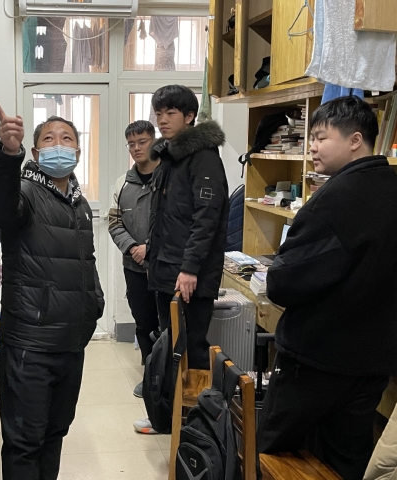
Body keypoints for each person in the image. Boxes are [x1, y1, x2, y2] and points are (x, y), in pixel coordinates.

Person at [257, 96, 397, 480]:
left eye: (321, 137)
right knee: (346, 459)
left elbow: (284, 283)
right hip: (374, 361)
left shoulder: (336, 198)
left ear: (355, 140)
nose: (312, 146)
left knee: (272, 452)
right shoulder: (392, 186)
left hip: (317, 359)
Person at [0, 105, 105, 480]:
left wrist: (94, 303)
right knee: (25, 442)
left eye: (67, 138)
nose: (59, 144)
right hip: (31, 343)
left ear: (78, 152)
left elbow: (85, 261)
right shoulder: (25, 193)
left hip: (71, 342)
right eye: (49, 139)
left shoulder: (79, 203)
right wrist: (8, 154)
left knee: (55, 433)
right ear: (35, 153)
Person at [134, 84, 228, 434]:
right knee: (170, 344)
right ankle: (169, 415)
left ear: (189, 116)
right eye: (158, 113)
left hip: (188, 275)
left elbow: (207, 219)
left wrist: (189, 269)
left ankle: (196, 424)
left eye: (170, 113)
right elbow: (166, 217)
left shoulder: (203, 157)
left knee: (192, 347)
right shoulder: (170, 157)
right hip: (166, 269)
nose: (162, 120)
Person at [108, 120, 159, 398]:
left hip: (164, 267)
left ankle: (168, 380)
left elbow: (177, 223)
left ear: (154, 141)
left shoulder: (170, 178)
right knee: (143, 324)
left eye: (142, 142)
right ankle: (150, 377)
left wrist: (149, 247)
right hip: (134, 267)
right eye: (131, 144)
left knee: (168, 326)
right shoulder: (123, 183)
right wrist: (132, 248)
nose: (136, 148)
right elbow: (114, 222)